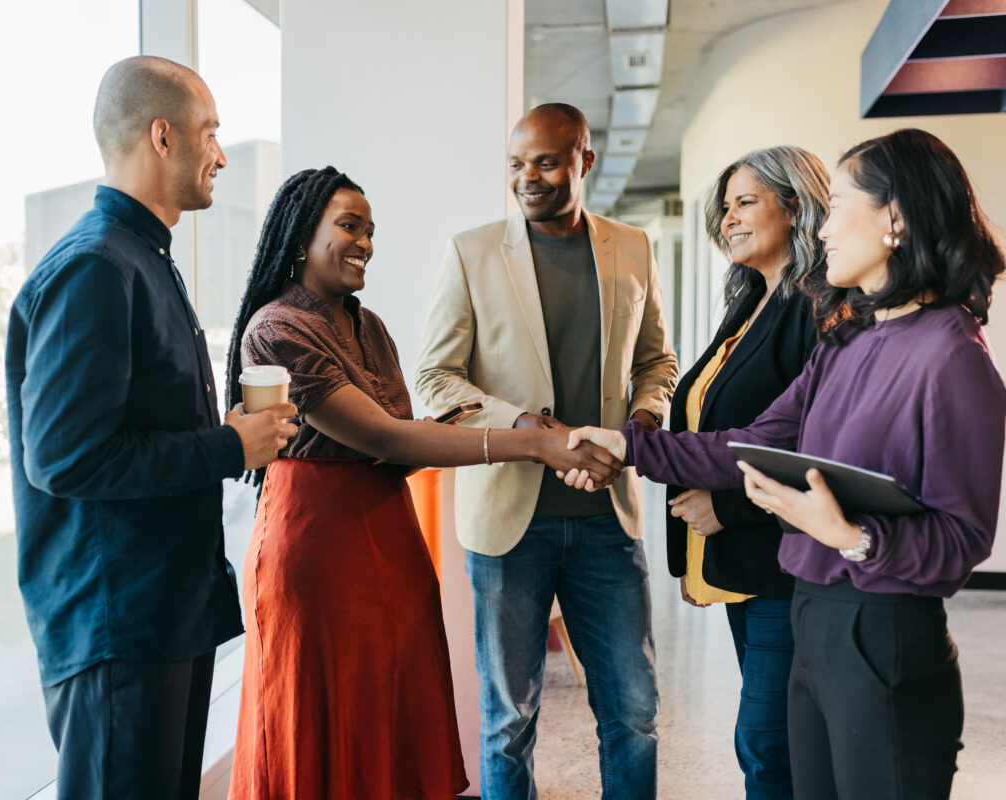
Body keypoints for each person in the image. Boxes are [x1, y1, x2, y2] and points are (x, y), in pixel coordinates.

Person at [562, 128, 1006, 799]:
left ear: (895, 218)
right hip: (812, 615)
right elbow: (749, 441)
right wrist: (627, 445)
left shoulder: (953, 358)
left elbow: (962, 541)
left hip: (881, 628)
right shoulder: (848, 342)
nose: (822, 228)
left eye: (838, 209)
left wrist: (851, 535)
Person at [224, 166, 621, 800]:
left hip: (389, 537)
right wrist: (535, 443)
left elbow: (398, 445)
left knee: (389, 709)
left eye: (371, 231)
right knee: (323, 718)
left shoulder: (368, 325)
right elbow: (386, 438)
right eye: (349, 226)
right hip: (316, 546)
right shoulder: (276, 329)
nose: (366, 244)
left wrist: (457, 425)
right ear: (301, 237)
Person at [5, 56, 297, 800]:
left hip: (162, 616)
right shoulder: (96, 267)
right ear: (162, 137)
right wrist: (229, 446)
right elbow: (68, 459)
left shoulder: (142, 258)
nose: (221, 154)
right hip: (118, 629)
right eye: (210, 133)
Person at [415, 103, 678, 800]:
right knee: (508, 720)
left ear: (584, 160)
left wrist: (645, 420)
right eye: (515, 164)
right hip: (508, 522)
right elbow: (436, 377)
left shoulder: (632, 248)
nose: (527, 178)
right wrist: (531, 430)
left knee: (634, 712)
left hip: (607, 521)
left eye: (546, 161)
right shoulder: (471, 251)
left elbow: (658, 362)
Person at [666, 146, 828, 799]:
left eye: (746, 201)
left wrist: (726, 510)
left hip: (783, 564)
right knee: (771, 741)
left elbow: (821, 453)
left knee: (767, 743)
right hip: (742, 563)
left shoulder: (815, 310)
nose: (728, 217)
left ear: (796, 207)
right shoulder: (751, 302)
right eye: (724, 206)